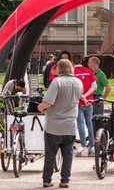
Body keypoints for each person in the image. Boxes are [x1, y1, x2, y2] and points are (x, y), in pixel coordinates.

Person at [38, 59, 83, 188]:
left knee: (51, 154)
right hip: (70, 125)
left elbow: (49, 102)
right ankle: (65, 180)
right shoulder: (78, 82)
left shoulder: (56, 82)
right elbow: (79, 97)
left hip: (54, 126)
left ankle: (47, 179)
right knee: (68, 155)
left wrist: (40, 107)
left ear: (59, 69)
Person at [72, 53, 96, 157]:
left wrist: (82, 97)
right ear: (81, 60)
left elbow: (75, 88)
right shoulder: (88, 72)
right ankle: (93, 145)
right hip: (89, 101)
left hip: (78, 102)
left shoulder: (73, 72)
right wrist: (86, 96)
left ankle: (83, 145)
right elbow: (94, 86)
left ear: (72, 61)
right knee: (89, 123)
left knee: (80, 124)